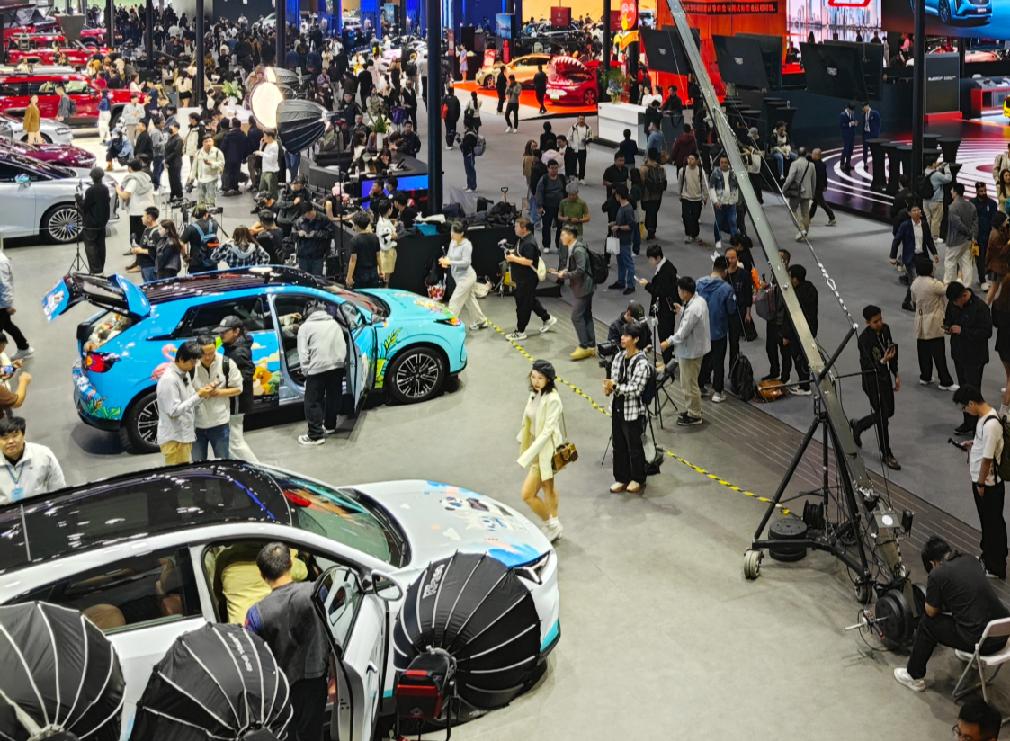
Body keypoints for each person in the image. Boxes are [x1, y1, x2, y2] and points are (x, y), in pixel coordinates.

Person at [894, 534, 1009, 692]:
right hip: (1003, 636)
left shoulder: (937, 573)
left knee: (927, 624)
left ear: (932, 563)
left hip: (983, 645)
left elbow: (930, 611)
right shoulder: (970, 559)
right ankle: (971, 656)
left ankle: (913, 676)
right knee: (968, 608)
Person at [245, 543, 330, 741]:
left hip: (282, 690)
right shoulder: (316, 592)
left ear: (262, 574)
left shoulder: (256, 613)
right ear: (290, 564)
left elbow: (251, 656)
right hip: (315, 680)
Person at [516, 359, 565, 540]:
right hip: (536, 448)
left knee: (528, 494)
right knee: (548, 486)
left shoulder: (553, 400)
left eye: (540, 378)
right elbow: (528, 420)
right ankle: (554, 523)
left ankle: (551, 525)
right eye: (533, 377)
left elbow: (546, 432)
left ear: (548, 379)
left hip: (545, 451)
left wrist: (529, 454)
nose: (535, 381)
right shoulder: (534, 394)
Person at [851, 305, 901, 470]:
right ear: (867, 322)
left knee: (888, 412)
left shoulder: (886, 329)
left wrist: (896, 373)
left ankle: (859, 425)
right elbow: (867, 365)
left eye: (880, 319)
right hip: (872, 382)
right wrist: (882, 361)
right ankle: (886, 453)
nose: (879, 323)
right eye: (875, 321)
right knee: (882, 417)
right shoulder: (863, 340)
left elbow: (892, 350)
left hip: (884, 378)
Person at [603, 321, 651, 494]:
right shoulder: (618, 357)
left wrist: (615, 386)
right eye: (622, 335)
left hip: (633, 410)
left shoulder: (642, 363)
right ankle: (621, 477)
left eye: (627, 335)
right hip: (617, 406)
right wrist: (608, 387)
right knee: (618, 444)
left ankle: (637, 478)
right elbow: (614, 378)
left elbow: (636, 389)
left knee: (634, 446)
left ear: (636, 339)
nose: (622, 338)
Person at [661, 276, 710, 425]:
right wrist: (682, 310)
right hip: (695, 349)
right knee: (690, 383)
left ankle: (694, 415)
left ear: (685, 292)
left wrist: (667, 342)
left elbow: (682, 333)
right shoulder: (699, 301)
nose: (678, 292)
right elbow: (691, 320)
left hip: (690, 352)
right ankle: (692, 410)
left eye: (679, 290)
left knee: (689, 384)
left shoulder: (693, 309)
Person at [156, 341, 214, 465]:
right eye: (192, 362)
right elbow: (173, 411)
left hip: (184, 435)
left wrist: (203, 394)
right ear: (182, 359)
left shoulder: (184, 373)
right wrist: (198, 395)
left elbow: (190, 398)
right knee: (177, 474)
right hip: (174, 439)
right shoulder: (169, 380)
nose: (194, 365)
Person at [297, 301, 346, 446]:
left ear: (308, 312)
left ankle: (315, 435)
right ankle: (330, 426)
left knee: (313, 402)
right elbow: (342, 345)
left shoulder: (305, 327)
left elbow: (303, 353)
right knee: (333, 397)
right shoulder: (334, 324)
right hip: (337, 366)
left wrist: (306, 371)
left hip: (317, 368)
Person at [946, 282, 993, 435]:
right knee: (963, 391)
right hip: (959, 354)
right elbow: (948, 319)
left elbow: (987, 332)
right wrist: (948, 327)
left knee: (973, 391)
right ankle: (968, 422)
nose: (954, 305)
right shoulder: (953, 303)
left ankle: (978, 426)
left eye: (956, 302)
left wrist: (963, 331)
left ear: (964, 295)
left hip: (975, 357)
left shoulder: (980, 308)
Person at [213, 316, 260, 463]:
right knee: (231, 440)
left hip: (237, 401)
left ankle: (258, 469)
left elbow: (248, 372)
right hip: (236, 400)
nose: (221, 335)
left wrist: (227, 383)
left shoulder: (238, 352)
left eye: (224, 332)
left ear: (236, 331)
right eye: (220, 332)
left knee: (235, 441)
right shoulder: (233, 347)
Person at [191, 335, 243, 461]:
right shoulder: (191, 365)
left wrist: (218, 392)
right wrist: (199, 393)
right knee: (198, 465)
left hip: (220, 422)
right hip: (196, 425)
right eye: (204, 354)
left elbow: (238, 389)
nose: (208, 357)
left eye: (211, 353)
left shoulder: (227, 363)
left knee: (223, 463)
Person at [505, 217, 555, 342]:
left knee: (523, 305)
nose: (514, 229)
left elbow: (528, 261)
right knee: (530, 300)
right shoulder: (523, 239)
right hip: (522, 278)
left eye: (516, 226)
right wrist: (512, 253)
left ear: (524, 228)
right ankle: (547, 318)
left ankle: (520, 331)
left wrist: (513, 259)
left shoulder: (529, 243)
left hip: (527, 279)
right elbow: (521, 253)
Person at [910, 256, 956, 391]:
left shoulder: (915, 283)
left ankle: (925, 376)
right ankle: (945, 381)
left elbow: (914, 300)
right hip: (933, 322)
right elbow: (947, 290)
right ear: (930, 270)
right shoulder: (934, 284)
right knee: (938, 353)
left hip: (920, 321)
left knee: (923, 351)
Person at [696, 256, 737, 404]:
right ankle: (718, 392)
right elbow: (731, 310)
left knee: (703, 359)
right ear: (725, 271)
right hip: (718, 331)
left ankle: (700, 386)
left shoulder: (699, 283)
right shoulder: (727, 289)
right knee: (718, 361)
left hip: (701, 330)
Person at [0, 416, 64, 504]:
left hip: (40, 508)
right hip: (6, 511)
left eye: (15, 436)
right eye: (5, 438)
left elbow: (59, 489)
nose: (10, 441)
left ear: (23, 435)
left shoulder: (44, 455)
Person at [554, 225, 595, 360]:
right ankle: (591, 345)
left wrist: (565, 275)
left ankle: (584, 346)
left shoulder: (578, 250)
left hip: (583, 288)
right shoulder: (576, 247)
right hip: (586, 286)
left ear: (571, 236)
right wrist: (565, 271)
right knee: (586, 315)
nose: (561, 238)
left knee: (576, 316)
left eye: (563, 235)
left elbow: (581, 270)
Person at [440, 221, 488, 331]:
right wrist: (445, 260)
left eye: (454, 232)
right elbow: (449, 256)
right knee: (470, 301)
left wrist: (450, 262)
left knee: (455, 300)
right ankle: (481, 321)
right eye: (451, 232)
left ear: (461, 234)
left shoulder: (466, 245)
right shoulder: (453, 241)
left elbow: (466, 263)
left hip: (467, 278)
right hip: (459, 277)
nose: (452, 234)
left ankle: (450, 325)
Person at [891, 205, 939, 311]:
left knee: (925, 279)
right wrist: (893, 257)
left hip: (922, 256)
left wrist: (934, 253)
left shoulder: (924, 224)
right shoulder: (905, 225)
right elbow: (896, 240)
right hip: (910, 257)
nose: (917, 212)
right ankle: (913, 302)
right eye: (914, 210)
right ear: (909, 213)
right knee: (913, 280)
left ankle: (909, 301)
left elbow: (929, 240)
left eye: (918, 210)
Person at [779, 264, 818, 395]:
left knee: (799, 358)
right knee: (804, 357)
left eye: (790, 276)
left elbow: (791, 317)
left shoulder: (795, 295)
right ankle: (804, 382)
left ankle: (804, 386)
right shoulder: (811, 289)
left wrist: (786, 335)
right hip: (810, 329)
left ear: (796, 279)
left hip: (798, 332)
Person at [0, 249, 31, 361]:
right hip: (2, 304)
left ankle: (23, 348)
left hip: (1, 305)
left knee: (6, 327)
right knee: (8, 326)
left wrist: (7, 305)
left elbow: (5, 285)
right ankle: (24, 347)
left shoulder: (1, 262)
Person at [78, 166, 110, 274]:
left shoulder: (90, 190)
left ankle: (95, 270)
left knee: (91, 246)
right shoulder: (105, 189)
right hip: (102, 223)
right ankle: (100, 268)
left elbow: (85, 206)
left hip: (91, 224)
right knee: (101, 245)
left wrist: (78, 199)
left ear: (92, 177)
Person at [724, 246, 753, 368]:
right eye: (728, 258)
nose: (731, 260)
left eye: (733, 258)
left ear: (738, 258)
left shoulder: (744, 275)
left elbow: (748, 295)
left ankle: (733, 368)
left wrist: (748, 313)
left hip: (738, 312)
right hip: (723, 312)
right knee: (720, 343)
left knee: (734, 342)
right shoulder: (722, 274)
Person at [947, 183, 979, 285]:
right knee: (967, 264)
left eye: (952, 190)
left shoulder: (952, 207)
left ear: (955, 192)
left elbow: (958, 224)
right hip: (968, 241)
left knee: (950, 262)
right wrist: (973, 235)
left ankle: (949, 285)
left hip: (955, 241)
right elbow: (975, 223)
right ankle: (966, 287)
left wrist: (969, 233)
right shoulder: (971, 205)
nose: (951, 192)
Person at [609, 185, 637, 295]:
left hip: (624, 240)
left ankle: (631, 285)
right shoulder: (622, 206)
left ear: (619, 195)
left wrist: (618, 227)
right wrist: (615, 223)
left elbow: (631, 226)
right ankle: (621, 281)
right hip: (618, 239)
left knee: (628, 263)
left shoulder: (628, 209)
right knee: (620, 262)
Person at [782, 150, 815, 241]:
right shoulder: (811, 165)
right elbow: (813, 181)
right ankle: (805, 232)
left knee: (792, 210)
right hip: (807, 192)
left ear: (798, 154)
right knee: (806, 214)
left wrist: (784, 188)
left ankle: (801, 229)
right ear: (806, 154)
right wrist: (812, 193)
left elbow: (789, 178)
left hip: (796, 192)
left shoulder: (794, 164)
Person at [293, 202, 333, 277]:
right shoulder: (299, 220)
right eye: (306, 215)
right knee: (304, 278)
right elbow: (292, 235)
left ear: (313, 209)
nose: (308, 217)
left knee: (317, 278)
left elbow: (330, 233)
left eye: (310, 214)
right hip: (303, 255)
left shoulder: (323, 218)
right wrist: (298, 233)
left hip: (318, 255)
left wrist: (315, 234)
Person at [535, 159, 565, 257]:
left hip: (560, 207)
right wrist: (539, 206)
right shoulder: (544, 179)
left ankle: (559, 245)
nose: (554, 170)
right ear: (548, 169)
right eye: (552, 168)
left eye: (556, 168)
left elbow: (566, 191)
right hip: (547, 206)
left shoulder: (562, 178)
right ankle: (546, 245)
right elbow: (539, 192)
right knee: (546, 226)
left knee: (561, 226)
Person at [709, 154, 739, 250]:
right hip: (720, 204)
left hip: (731, 203)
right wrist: (715, 201)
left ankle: (735, 241)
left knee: (733, 222)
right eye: (722, 162)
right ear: (719, 163)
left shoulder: (734, 173)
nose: (723, 164)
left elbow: (738, 187)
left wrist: (736, 199)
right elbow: (711, 188)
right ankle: (717, 240)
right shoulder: (715, 173)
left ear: (728, 163)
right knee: (718, 223)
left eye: (725, 162)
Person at [180, 207, 221, 274]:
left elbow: (180, 243)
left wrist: (184, 256)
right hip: (212, 263)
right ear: (206, 214)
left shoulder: (191, 228)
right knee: (213, 280)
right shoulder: (215, 224)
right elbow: (212, 219)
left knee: (197, 281)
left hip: (196, 264)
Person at [557, 181, 590, 263]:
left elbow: (588, 217)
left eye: (573, 195)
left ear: (577, 193)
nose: (571, 197)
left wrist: (578, 220)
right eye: (569, 194)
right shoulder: (563, 202)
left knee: (575, 255)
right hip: (565, 232)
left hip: (577, 233)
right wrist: (564, 219)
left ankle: (574, 270)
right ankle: (562, 270)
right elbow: (559, 216)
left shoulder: (582, 203)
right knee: (563, 256)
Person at [346, 211, 381, 289]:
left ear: (356, 225)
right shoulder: (375, 238)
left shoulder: (354, 240)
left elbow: (353, 260)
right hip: (374, 272)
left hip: (360, 274)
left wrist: (349, 276)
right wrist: (381, 270)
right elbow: (378, 256)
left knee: (360, 294)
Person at [975, 182, 999, 290]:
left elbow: (994, 220)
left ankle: (992, 280)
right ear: (977, 191)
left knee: (991, 258)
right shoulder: (972, 203)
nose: (984, 193)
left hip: (989, 236)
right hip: (976, 238)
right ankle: (982, 280)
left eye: (985, 190)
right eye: (981, 191)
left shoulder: (992, 203)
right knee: (978, 258)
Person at [679, 152, 706, 245]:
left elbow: (704, 185)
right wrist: (680, 194)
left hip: (697, 198)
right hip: (686, 197)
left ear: (697, 161)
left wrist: (705, 196)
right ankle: (688, 234)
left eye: (692, 159)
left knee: (695, 218)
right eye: (688, 158)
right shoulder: (682, 170)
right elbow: (680, 183)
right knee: (686, 217)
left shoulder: (700, 171)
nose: (690, 161)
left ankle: (695, 234)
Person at [639, 148, 666, 241]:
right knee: (653, 213)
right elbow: (664, 182)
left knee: (648, 213)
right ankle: (652, 232)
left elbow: (642, 182)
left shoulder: (643, 168)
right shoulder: (662, 168)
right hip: (658, 195)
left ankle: (648, 231)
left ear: (648, 156)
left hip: (647, 195)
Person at [924, 156, 953, 243]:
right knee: (936, 220)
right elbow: (948, 179)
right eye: (936, 162)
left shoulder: (925, 171)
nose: (937, 163)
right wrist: (947, 168)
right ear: (933, 163)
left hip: (925, 200)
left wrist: (938, 167)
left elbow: (934, 173)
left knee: (927, 219)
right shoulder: (937, 175)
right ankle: (935, 238)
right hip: (936, 201)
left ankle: (926, 236)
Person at [192, 135, 225, 207]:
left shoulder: (217, 152)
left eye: (210, 141)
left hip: (212, 178)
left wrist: (211, 163)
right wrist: (192, 177)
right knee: (201, 197)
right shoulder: (198, 153)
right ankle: (202, 211)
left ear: (213, 142)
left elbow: (222, 163)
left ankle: (211, 210)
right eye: (206, 141)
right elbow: (194, 166)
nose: (208, 143)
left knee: (211, 197)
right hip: (201, 179)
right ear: (202, 143)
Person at [806, 148, 836, 227]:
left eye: (813, 154)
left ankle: (832, 218)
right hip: (819, 186)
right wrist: (825, 186)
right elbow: (825, 176)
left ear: (817, 156)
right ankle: (808, 218)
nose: (812, 155)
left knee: (822, 204)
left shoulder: (814, 164)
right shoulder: (822, 164)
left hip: (817, 187)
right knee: (814, 203)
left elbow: (823, 176)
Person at [131, 206, 161, 283]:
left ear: (149, 218)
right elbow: (145, 245)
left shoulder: (156, 233)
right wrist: (137, 248)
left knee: (152, 286)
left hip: (151, 267)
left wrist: (140, 251)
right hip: (144, 266)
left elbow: (156, 251)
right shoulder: (146, 230)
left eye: (143, 216)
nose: (141, 218)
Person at [568, 114, 592, 183]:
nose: (581, 120)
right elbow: (569, 137)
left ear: (584, 119)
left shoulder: (588, 128)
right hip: (574, 149)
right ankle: (572, 178)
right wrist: (571, 146)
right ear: (577, 119)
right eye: (580, 119)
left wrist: (586, 140)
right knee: (573, 164)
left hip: (583, 149)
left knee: (582, 164)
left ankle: (581, 178)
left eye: (582, 119)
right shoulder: (573, 127)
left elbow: (590, 138)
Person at [164, 121, 184, 202]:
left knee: (176, 179)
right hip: (170, 162)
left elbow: (176, 152)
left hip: (176, 162)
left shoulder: (179, 139)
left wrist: (166, 160)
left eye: (171, 126)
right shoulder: (170, 138)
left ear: (176, 128)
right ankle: (172, 195)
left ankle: (179, 196)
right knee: (171, 180)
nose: (169, 128)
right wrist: (166, 161)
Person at [459, 123, 479, 193]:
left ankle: (472, 186)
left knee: (470, 170)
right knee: (468, 170)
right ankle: (469, 185)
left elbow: (466, 145)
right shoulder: (471, 132)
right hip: (468, 154)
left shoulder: (470, 135)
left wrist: (460, 142)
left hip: (469, 154)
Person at [839, 102, 858, 173]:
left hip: (852, 134)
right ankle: (842, 163)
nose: (852, 112)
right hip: (846, 135)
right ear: (848, 108)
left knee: (850, 149)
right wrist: (850, 124)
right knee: (846, 149)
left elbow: (852, 123)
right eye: (851, 110)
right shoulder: (842, 114)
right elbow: (841, 125)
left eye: (853, 111)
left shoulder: (852, 114)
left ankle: (848, 164)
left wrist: (855, 123)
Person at [861, 102, 880, 166]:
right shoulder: (864, 114)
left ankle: (875, 162)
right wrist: (863, 134)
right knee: (865, 149)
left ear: (867, 106)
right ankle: (865, 163)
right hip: (866, 134)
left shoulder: (875, 113)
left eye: (863, 107)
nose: (863, 109)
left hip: (873, 135)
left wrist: (876, 135)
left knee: (873, 149)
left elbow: (878, 125)